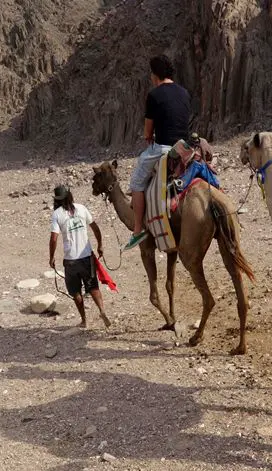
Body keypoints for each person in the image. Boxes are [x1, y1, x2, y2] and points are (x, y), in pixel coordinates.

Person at [124, 55, 192, 250]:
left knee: (136, 182)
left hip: (163, 147)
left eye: (151, 74)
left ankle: (137, 230)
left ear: (155, 75)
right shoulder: (184, 92)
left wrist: (149, 137)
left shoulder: (154, 95)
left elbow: (148, 132)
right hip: (185, 147)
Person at [49, 185, 111, 329]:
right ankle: (102, 310)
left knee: (75, 291)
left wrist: (51, 257)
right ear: (69, 196)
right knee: (93, 287)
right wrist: (100, 245)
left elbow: (53, 238)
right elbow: (95, 227)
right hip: (86, 257)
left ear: (56, 200)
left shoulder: (57, 214)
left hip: (71, 260)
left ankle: (84, 320)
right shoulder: (81, 208)